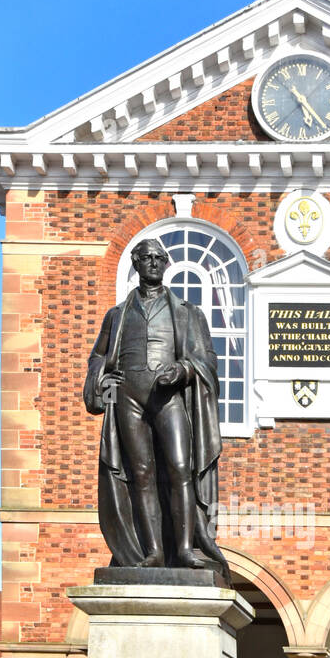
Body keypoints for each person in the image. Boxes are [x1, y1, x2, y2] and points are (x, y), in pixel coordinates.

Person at [84, 238, 229, 578]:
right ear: (135, 263)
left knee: (180, 467)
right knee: (141, 474)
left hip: (168, 395)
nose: (152, 262)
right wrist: (102, 376)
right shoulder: (117, 315)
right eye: (145, 257)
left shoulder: (188, 313)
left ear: (166, 264)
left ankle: (184, 549)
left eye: (158, 258)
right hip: (128, 396)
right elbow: (98, 355)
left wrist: (184, 370)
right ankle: (152, 552)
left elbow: (206, 357)